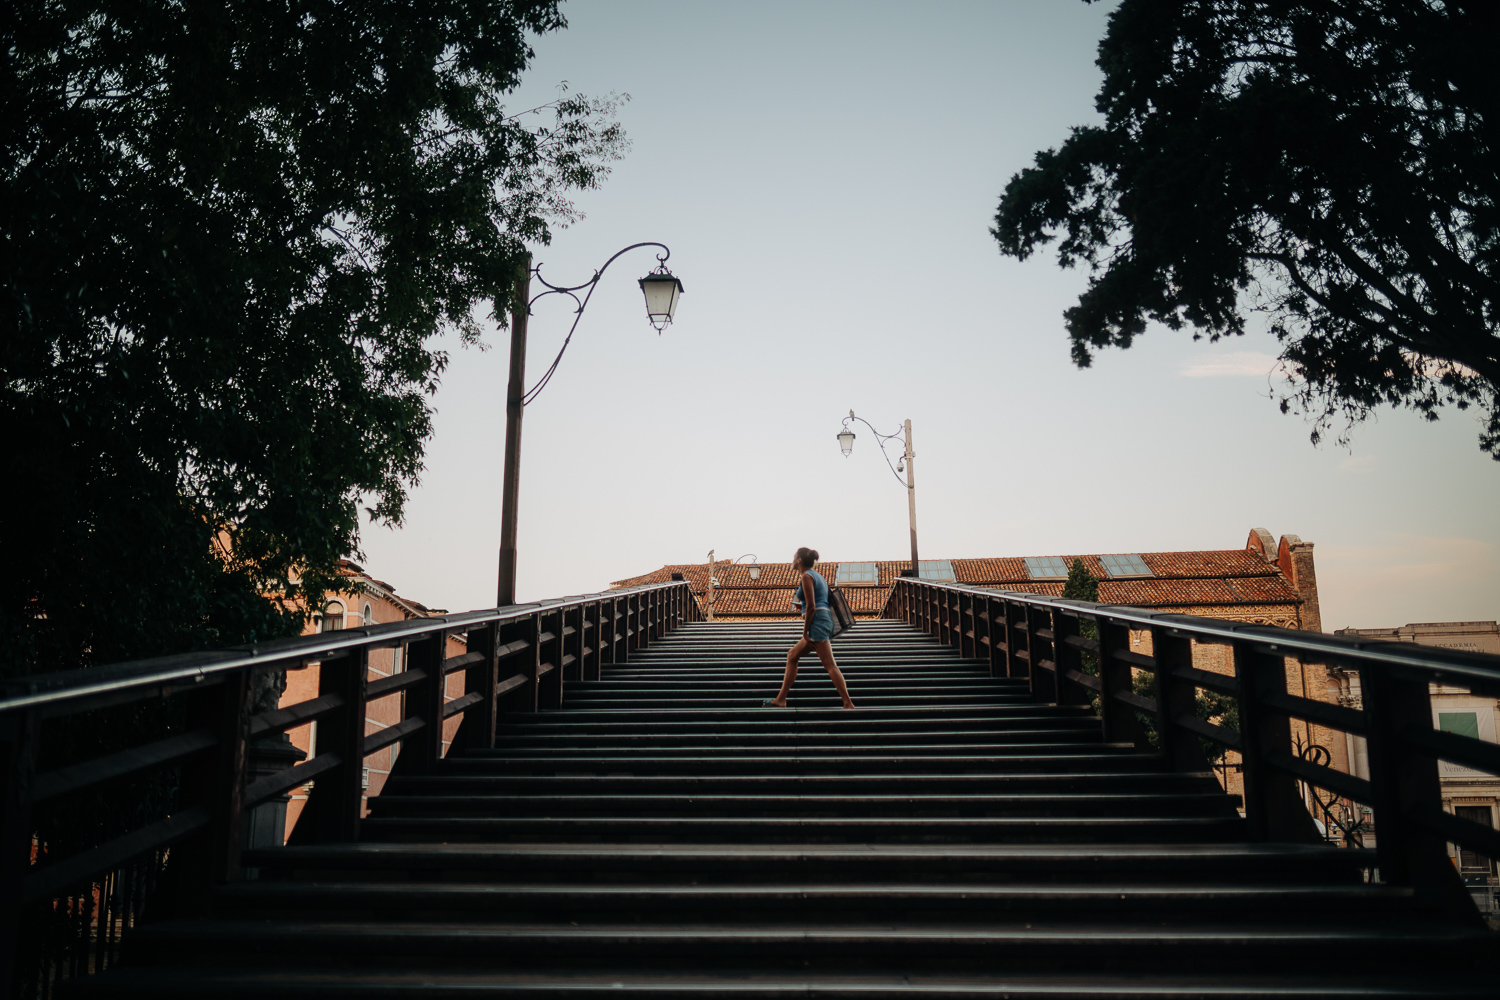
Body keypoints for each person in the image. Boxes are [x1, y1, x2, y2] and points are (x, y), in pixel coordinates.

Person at [763, 547, 855, 710]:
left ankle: (848, 703)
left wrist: (805, 631)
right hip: (824, 620)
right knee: (792, 656)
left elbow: (812, 606)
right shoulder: (818, 576)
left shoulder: (806, 577)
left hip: (817, 623)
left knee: (829, 665)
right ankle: (781, 699)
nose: (792, 561)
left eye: (794, 557)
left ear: (799, 560)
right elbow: (817, 602)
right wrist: (803, 608)